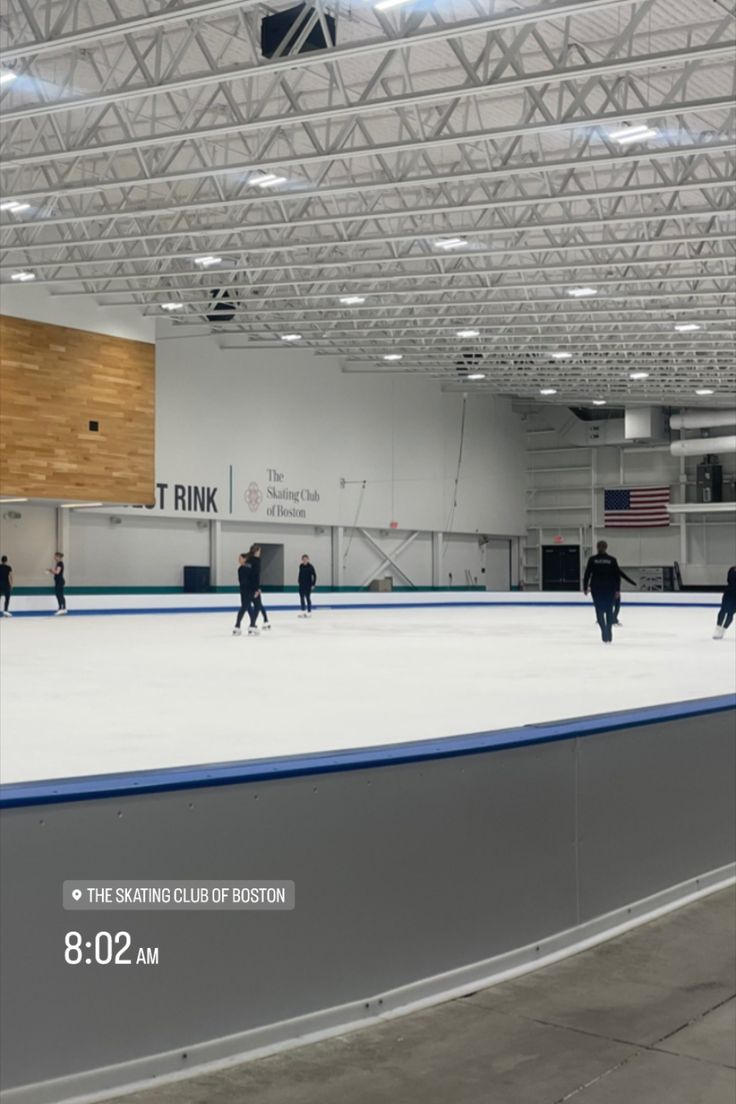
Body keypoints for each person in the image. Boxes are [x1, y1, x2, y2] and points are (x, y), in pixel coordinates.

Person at [583, 540, 622, 644]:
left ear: (597, 547)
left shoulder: (592, 560)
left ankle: (605, 632)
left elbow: (587, 574)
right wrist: (617, 589)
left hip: (597, 588)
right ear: (606, 547)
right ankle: (608, 631)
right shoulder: (612, 560)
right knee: (609, 610)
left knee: (599, 611)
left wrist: (585, 587)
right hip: (609, 588)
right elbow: (617, 576)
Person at [713, 566, 736, 640]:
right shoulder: (732, 569)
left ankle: (723, 629)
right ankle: (718, 628)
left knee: (730, 614)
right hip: (729, 593)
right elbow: (729, 580)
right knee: (724, 611)